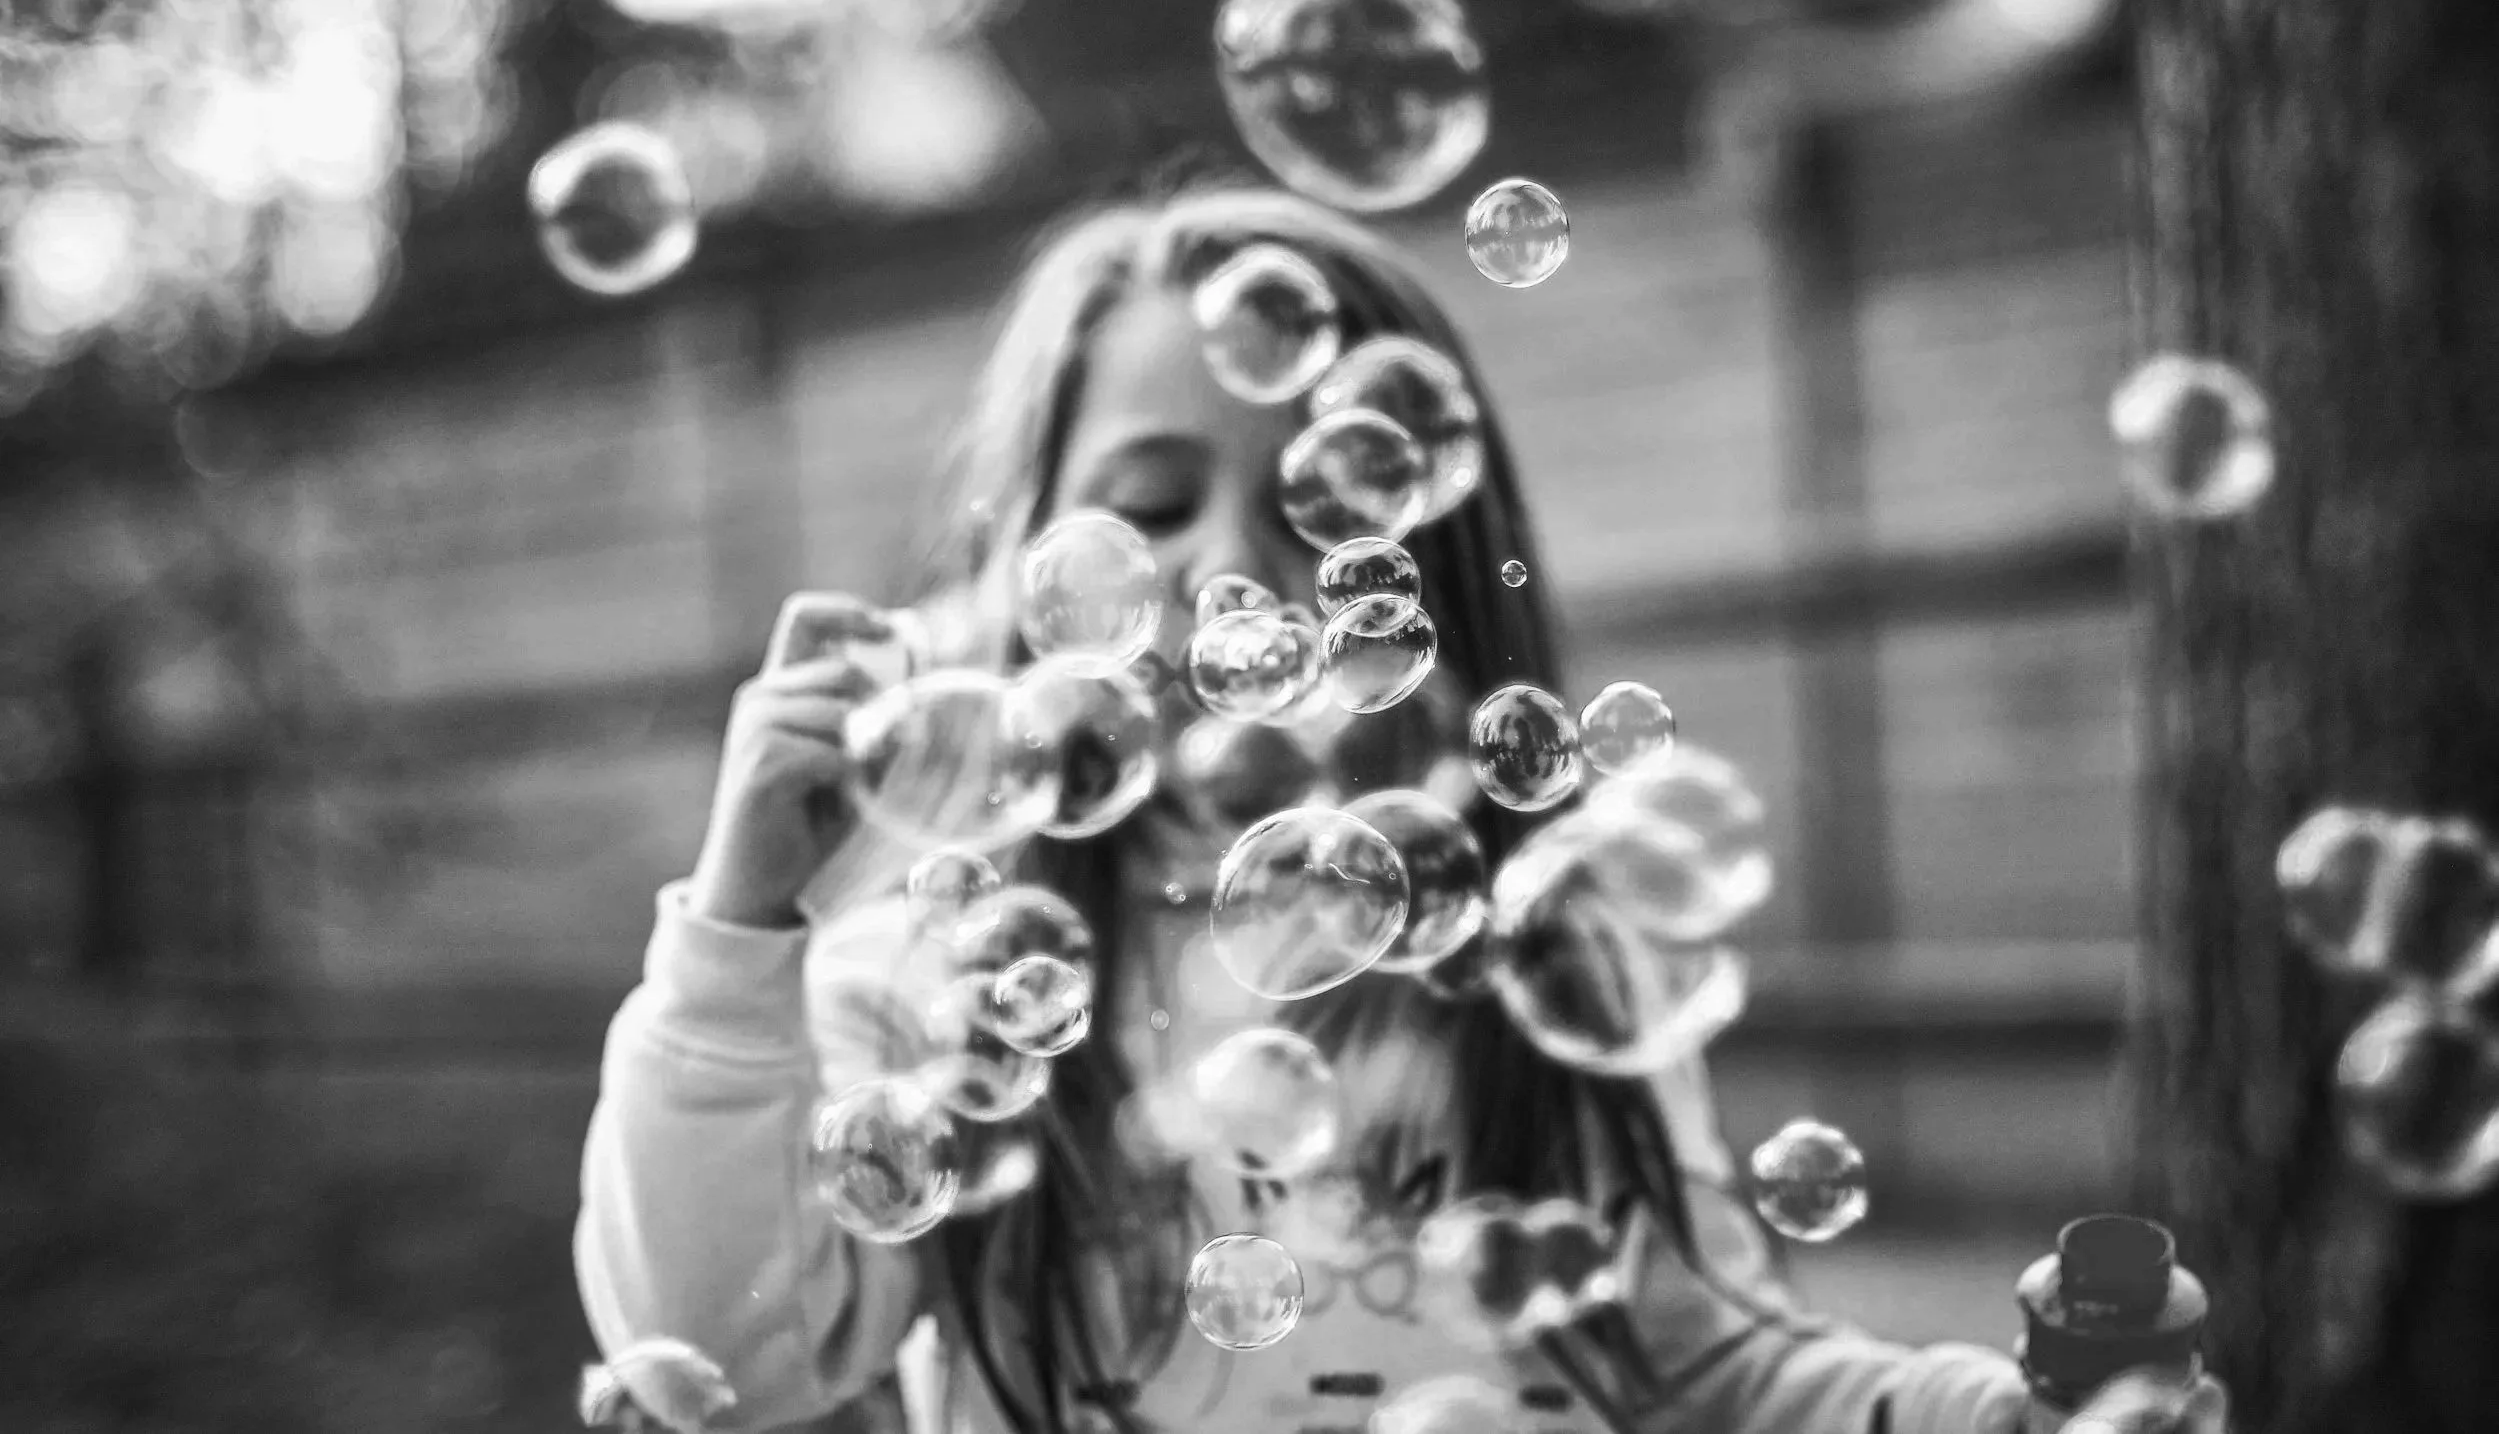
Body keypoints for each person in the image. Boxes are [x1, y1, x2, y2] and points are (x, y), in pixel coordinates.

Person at [576, 178, 2225, 1434]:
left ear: (1425, 574)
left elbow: (1704, 1367)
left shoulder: (1541, 953)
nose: (1231, 567)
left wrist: (1978, 1414)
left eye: (1321, 504)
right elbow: (720, 1351)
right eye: (1149, 502)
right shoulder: (922, 979)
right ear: (1019, 572)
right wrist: (734, 930)